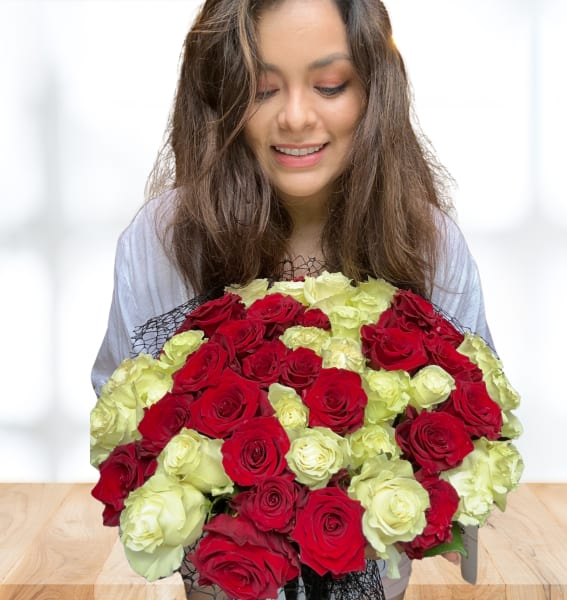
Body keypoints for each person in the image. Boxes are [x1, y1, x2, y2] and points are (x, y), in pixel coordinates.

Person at [92, 0, 493, 598]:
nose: (297, 117)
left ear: (373, 92)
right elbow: (121, 419)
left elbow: (477, 432)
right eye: (261, 90)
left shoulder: (429, 241)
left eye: (330, 85)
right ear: (220, 96)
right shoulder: (159, 240)